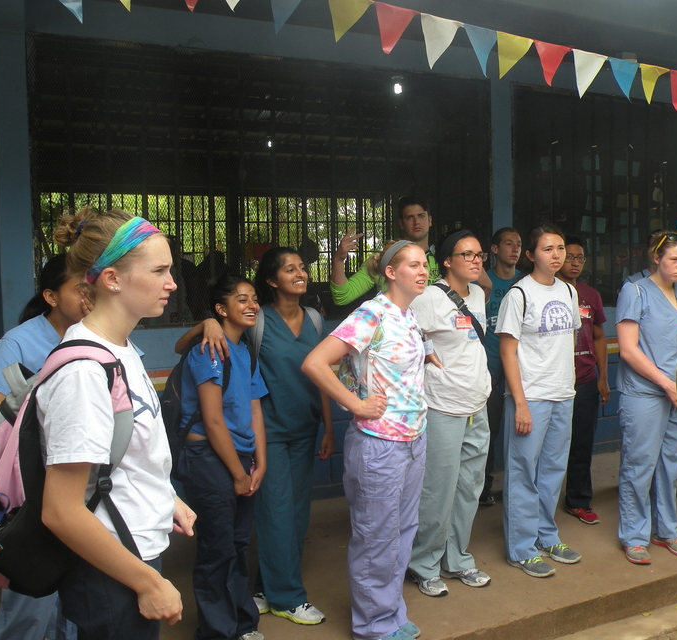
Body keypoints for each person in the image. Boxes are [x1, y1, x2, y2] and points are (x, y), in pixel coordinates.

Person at [39, 208, 197, 640]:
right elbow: (61, 510)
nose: (172, 282)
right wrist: (148, 583)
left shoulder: (121, 350)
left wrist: (165, 498)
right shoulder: (84, 371)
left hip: (133, 547)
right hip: (110, 569)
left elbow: (121, 456)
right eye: (160, 270)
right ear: (112, 279)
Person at [177, 247, 333, 626]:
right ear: (271, 280)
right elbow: (191, 344)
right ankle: (287, 596)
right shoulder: (256, 320)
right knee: (276, 514)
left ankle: (266, 586)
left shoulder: (314, 319)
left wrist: (328, 425)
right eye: (290, 269)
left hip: (305, 429)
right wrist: (206, 324)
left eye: (302, 268)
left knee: (295, 515)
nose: (300, 273)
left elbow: (324, 374)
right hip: (269, 434)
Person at [302, 240, 428, 640]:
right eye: (413, 265)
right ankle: (373, 625)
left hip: (413, 437)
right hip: (379, 443)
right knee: (375, 536)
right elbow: (314, 362)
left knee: (403, 530)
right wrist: (356, 404)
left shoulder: (407, 315)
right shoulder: (372, 312)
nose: (424, 271)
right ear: (391, 272)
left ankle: (391, 613)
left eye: (425, 264)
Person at [0, 254, 89, 640]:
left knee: (78, 601)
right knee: (32, 597)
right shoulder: (20, 343)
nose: (90, 296)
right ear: (51, 297)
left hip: (86, 485)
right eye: (79, 289)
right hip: (31, 487)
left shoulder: (101, 337)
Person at [175, 275, 268, 640]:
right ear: (220, 309)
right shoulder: (207, 350)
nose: (252, 305)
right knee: (217, 547)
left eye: (255, 299)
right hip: (209, 457)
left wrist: (260, 462)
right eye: (242, 299)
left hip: (242, 458)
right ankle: (217, 632)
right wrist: (238, 473)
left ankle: (242, 623)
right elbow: (213, 422)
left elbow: (255, 409)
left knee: (238, 544)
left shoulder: (244, 350)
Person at [407, 229, 492, 597]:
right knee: (437, 489)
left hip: (477, 403)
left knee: (470, 487)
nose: (476, 260)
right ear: (446, 260)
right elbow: (405, 333)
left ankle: (456, 557)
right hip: (442, 406)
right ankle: (423, 563)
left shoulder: (477, 294)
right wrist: (425, 352)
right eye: (467, 254)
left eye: (479, 255)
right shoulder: (426, 297)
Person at [497, 224, 582, 578]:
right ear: (531, 255)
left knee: (552, 472)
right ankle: (521, 548)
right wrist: (520, 403)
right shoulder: (519, 294)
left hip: (564, 394)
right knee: (521, 474)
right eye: (548, 249)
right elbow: (507, 351)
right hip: (530, 397)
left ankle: (547, 536)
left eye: (560, 248)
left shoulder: (568, 291)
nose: (557, 254)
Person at [615, 230, 677, 565]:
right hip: (646, 392)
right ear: (656, 257)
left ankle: (667, 530)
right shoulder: (634, 291)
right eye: (673, 259)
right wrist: (666, 384)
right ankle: (634, 535)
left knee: (670, 465)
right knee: (640, 464)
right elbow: (627, 349)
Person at [555, 236, 610, 525]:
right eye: (570, 257)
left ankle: (578, 500)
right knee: (549, 448)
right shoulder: (545, 292)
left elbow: (599, 336)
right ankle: (541, 505)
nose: (574, 262)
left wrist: (603, 377)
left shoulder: (591, 295)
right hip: (552, 383)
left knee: (582, 445)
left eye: (580, 258)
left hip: (585, 380)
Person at [330, 195, 439, 306]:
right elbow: (342, 297)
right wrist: (338, 260)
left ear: (430, 220)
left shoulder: (444, 259)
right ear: (401, 224)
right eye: (409, 217)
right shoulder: (383, 259)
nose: (416, 222)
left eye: (421, 216)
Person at [479, 227, 521, 507]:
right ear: (493, 250)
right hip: (489, 368)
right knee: (487, 432)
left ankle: (519, 490)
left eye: (519, 244)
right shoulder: (484, 283)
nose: (515, 249)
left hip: (522, 370)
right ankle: (483, 487)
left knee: (522, 429)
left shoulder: (526, 282)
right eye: (508, 244)